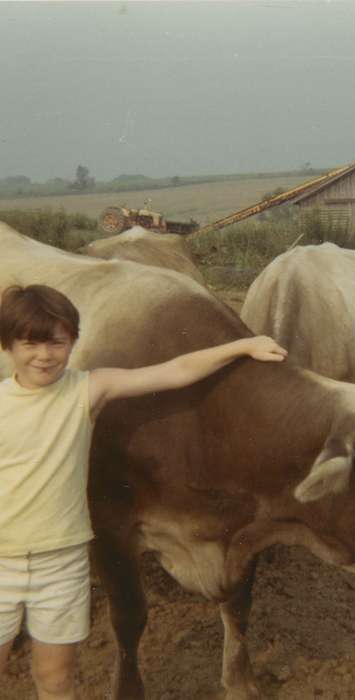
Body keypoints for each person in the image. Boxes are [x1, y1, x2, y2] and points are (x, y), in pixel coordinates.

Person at [0, 284, 287, 700]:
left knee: (56, 678)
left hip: (60, 564)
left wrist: (244, 345)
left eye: (56, 343)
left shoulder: (86, 390)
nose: (44, 356)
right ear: (8, 344)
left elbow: (174, 370)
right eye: (30, 343)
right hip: (1, 560)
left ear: (72, 342)